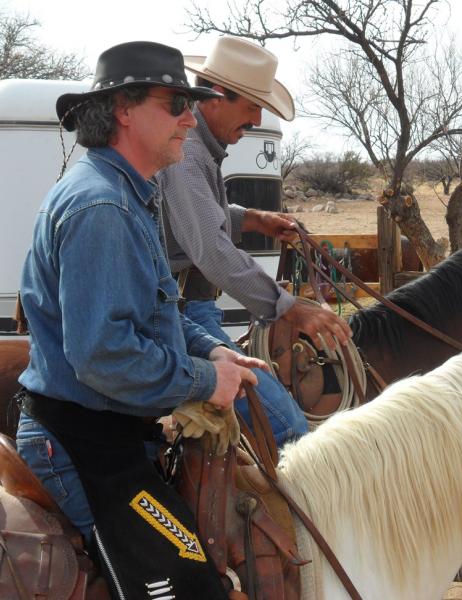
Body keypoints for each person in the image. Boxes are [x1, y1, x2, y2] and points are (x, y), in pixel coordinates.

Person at [15, 41, 266, 599]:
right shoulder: (103, 207)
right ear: (124, 109)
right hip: (84, 445)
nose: (188, 119)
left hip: (109, 434)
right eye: (176, 103)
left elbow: (156, 313)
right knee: (189, 587)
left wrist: (209, 349)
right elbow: (103, 354)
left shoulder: (129, 194)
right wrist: (207, 381)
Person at [159, 36, 352, 446]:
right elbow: (210, 248)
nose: (257, 118)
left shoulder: (198, 149)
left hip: (191, 307)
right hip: (179, 312)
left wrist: (253, 219)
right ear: (216, 96)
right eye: (251, 106)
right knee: (287, 428)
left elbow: (192, 219)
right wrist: (288, 308)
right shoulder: (190, 155)